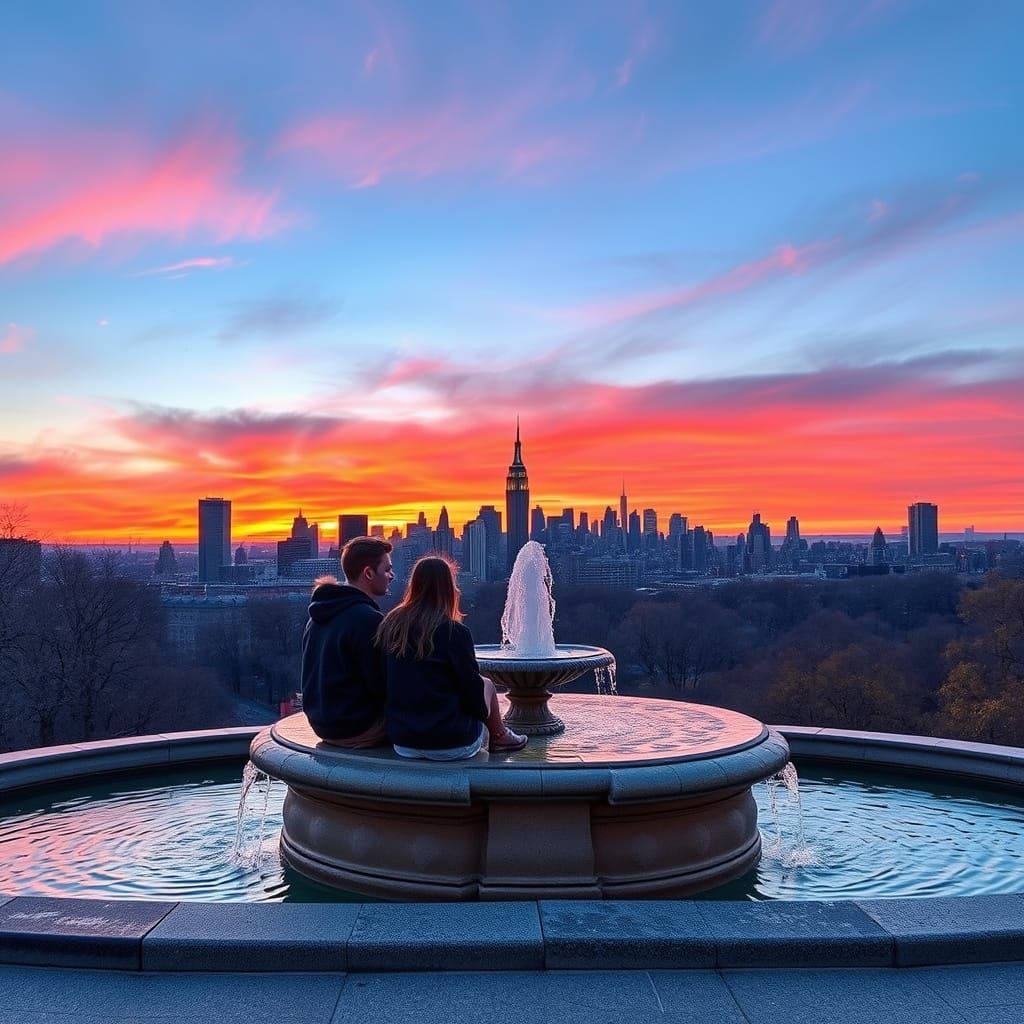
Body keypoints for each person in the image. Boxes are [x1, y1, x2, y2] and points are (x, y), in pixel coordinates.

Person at [377, 555, 528, 759]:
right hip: (452, 744)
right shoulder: (454, 632)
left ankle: (501, 735)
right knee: (487, 685)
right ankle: (501, 736)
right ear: (449, 588)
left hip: (404, 742)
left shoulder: (392, 625)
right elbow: (474, 695)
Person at [300, 536, 394, 748]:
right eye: (387, 569)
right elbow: (383, 686)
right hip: (357, 728)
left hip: (322, 724)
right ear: (369, 573)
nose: (391, 576)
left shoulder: (318, 614)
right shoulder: (368, 620)